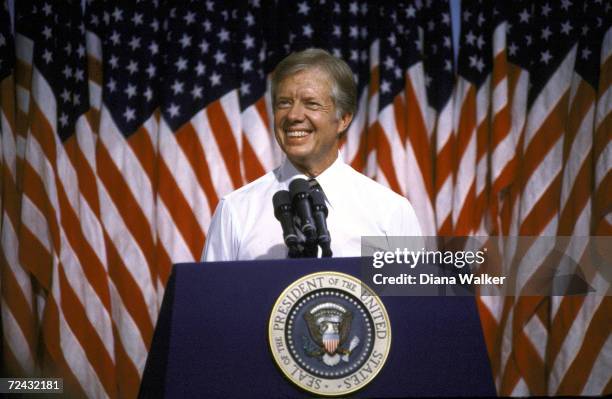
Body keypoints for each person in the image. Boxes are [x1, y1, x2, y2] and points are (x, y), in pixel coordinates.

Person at [202, 48, 421, 261]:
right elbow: (211, 297)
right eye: (284, 103)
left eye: (311, 103)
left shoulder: (392, 212)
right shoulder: (235, 211)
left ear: (343, 118)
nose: (294, 115)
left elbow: (413, 298)